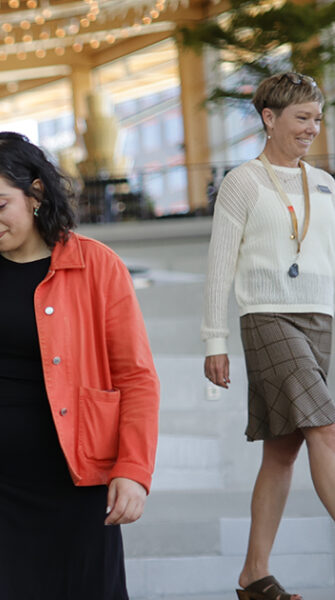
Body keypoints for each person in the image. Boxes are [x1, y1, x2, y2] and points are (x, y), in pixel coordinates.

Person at [0, 132, 159, 599]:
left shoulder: (98, 266)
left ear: (36, 193)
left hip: (72, 476)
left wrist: (133, 469)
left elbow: (136, 377)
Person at [202, 72, 335, 600]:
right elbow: (219, 267)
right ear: (269, 118)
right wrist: (215, 340)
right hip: (268, 318)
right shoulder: (242, 182)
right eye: (302, 118)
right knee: (325, 429)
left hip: (320, 320)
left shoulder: (325, 183)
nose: (312, 128)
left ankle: (253, 575)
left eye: (317, 119)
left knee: (282, 453)